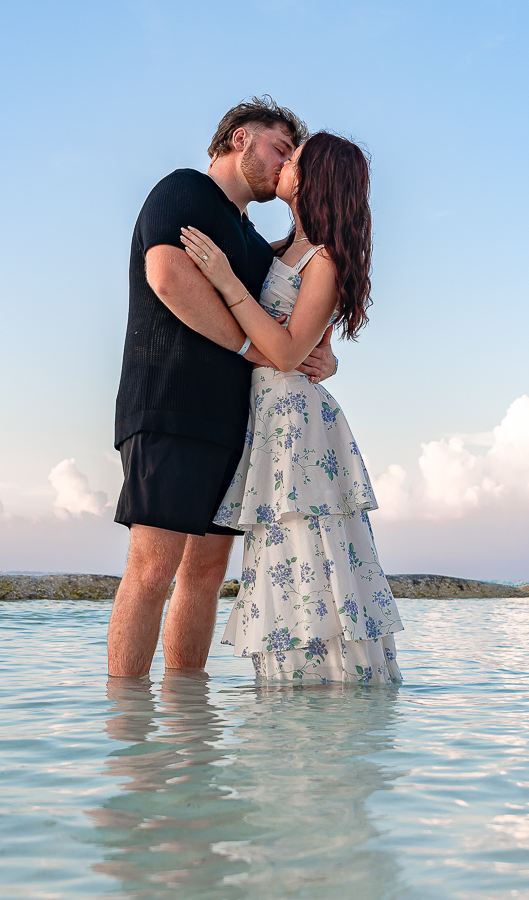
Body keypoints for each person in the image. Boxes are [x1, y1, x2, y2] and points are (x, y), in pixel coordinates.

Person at [108, 97, 337, 678]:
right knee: (154, 571)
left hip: (238, 425)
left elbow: (294, 311)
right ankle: (131, 741)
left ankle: (189, 729)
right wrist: (247, 348)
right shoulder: (184, 189)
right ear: (240, 139)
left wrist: (324, 352)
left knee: (206, 576)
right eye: (280, 148)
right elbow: (167, 276)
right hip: (170, 405)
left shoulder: (256, 244)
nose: (287, 165)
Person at [179, 132, 403, 683]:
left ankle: (327, 687)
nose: (284, 164)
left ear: (313, 180)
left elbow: (283, 352)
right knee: (279, 549)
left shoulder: (324, 260)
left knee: (308, 543)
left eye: (295, 160)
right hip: (268, 414)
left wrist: (227, 282)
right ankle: (289, 695)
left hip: (295, 421)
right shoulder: (278, 251)